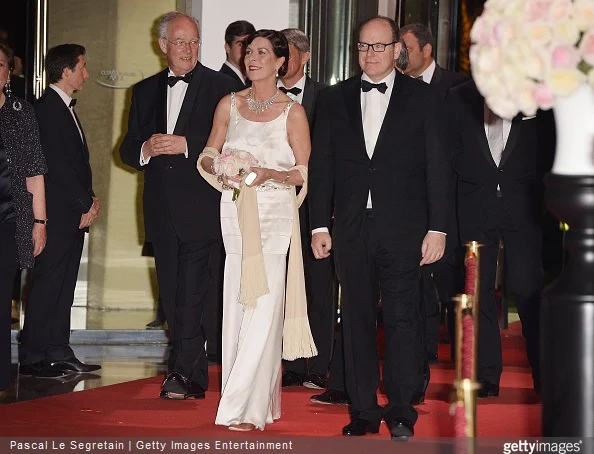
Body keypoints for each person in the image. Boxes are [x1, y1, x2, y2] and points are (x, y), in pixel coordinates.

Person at [308, 16, 450, 441]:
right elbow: (323, 167)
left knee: (404, 319)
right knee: (355, 321)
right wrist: (318, 224)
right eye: (362, 46)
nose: (369, 54)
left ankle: (403, 409)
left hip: (405, 229)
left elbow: (438, 168)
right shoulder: (334, 99)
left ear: (396, 51)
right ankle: (364, 409)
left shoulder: (423, 99)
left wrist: (438, 229)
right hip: (351, 229)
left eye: (377, 46)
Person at [198, 29, 316, 432]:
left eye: (263, 52)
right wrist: (220, 167)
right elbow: (208, 153)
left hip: (273, 214)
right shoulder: (228, 104)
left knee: (264, 309)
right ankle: (252, 398)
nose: (253, 58)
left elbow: (302, 172)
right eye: (249, 52)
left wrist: (269, 174)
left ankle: (245, 407)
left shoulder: (293, 111)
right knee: (238, 304)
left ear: (281, 62)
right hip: (234, 211)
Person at [120, 12, 235, 400]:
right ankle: (193, 376)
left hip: (202, 206)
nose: (188, 49)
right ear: (163, 45)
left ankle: (181, 373)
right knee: (172, 294)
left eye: (194, 42)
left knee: (192, 292)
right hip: (160, 210)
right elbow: (127, 147)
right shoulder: (144, 90)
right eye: (181, 42)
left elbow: (234, 143)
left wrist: (187, 145)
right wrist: (145, 150)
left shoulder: (222, 86)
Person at [445, 79, 546, 397]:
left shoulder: (532, 93)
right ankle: (487, 375)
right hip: (476, 206)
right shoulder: (458, 98)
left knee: (530, 290)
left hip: (524, 206)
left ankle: (544, 375)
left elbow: (546, 148)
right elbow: (450, 151)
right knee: (478, 291)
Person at [19, 44, 100, 377]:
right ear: (65, 71)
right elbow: (54, 168)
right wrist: (86, 203)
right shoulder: (48, 108)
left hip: (70, 214)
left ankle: (57, 349)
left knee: (64, 285)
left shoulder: (61, 107)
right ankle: (34, 356)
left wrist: (89, 201)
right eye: (82, 66)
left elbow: (75, 165)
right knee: (48, 283)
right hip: (56, 214)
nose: (87, 73)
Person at [401, 23, 468, 368]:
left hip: (449, 201)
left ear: (426, 50)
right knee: (417, 281)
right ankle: (423, 351)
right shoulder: (396, 89)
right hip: (409, 203)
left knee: (450, 280)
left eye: (406, 49)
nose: (400, 55)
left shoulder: (456, 87)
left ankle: (461, 356)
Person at [277, 28, 335, 392]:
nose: (281, 60)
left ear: (305, 56)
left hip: (315, 207)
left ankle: (319, 365)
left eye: (287, 52)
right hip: (274, 203)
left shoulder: (327, 98)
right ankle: (291, 365)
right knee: (282, 287)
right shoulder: (258, 98)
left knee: (319, 287)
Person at [0, 43, 47, 390]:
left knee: (3, 299)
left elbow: (34, 172)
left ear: (8, 72)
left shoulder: (21, 112)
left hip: (9, 220)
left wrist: (39, 223)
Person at [219, 20, 256, 90]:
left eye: (249, 44)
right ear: (227, 47)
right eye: (241, 44)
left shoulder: (253, 80)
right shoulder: (221, 82)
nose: (246, 49)